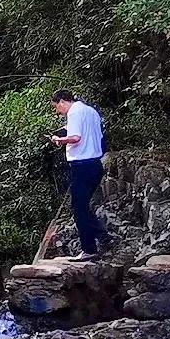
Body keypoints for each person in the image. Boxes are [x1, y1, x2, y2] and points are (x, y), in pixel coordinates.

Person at [52, 91, 108, 255]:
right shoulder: (90, 111)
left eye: (56, 107)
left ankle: (89, 249)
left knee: (78, 208)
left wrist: (59, 140)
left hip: (82, 165)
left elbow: (76, 137)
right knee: (81, 205)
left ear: (62, 101)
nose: (58, 111)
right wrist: (63, 133)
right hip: (95, 164)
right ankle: (103, 237)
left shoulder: (74, 112)